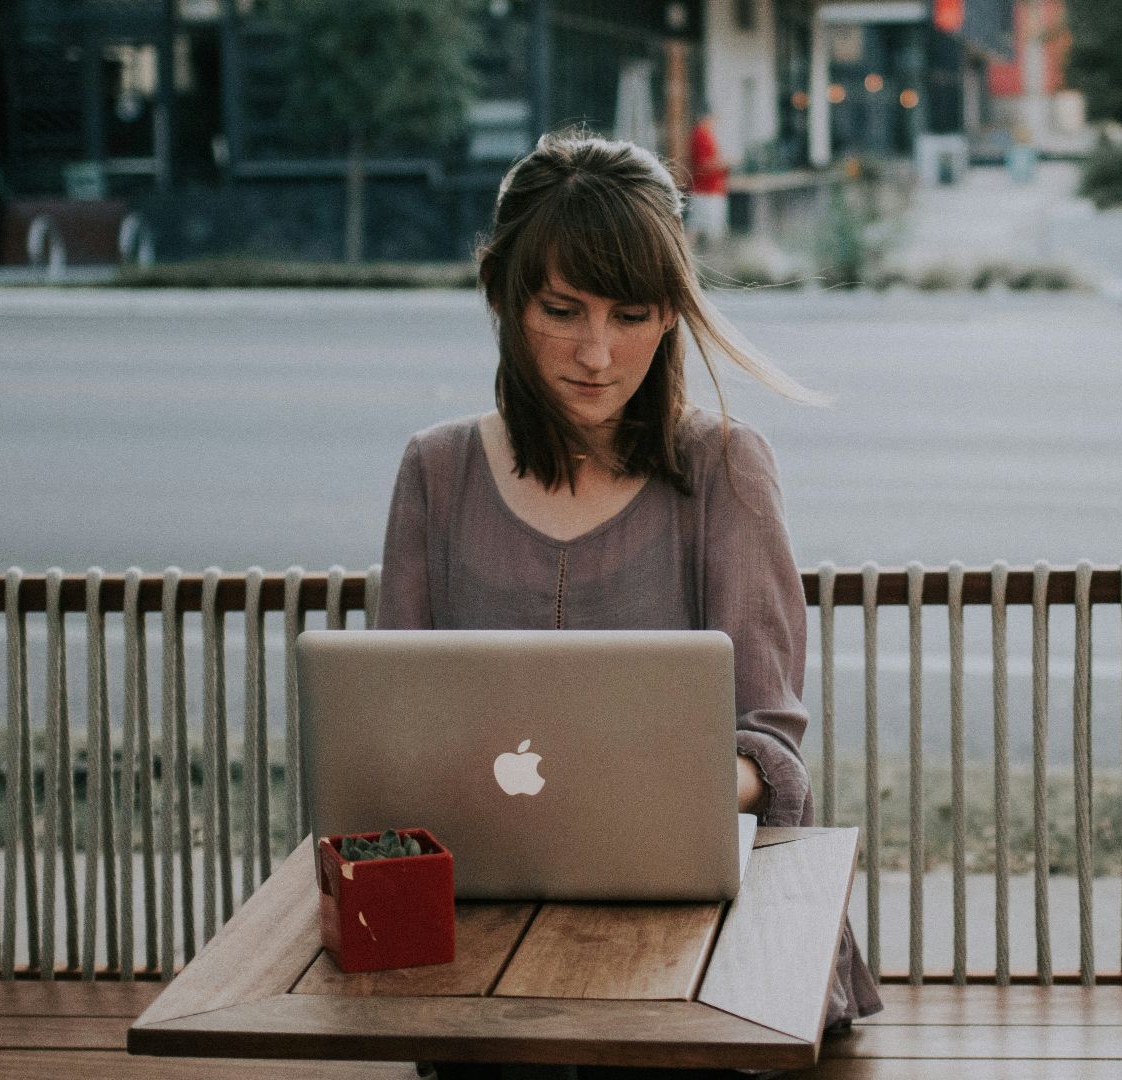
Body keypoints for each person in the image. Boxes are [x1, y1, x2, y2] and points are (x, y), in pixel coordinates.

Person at [378, 127, 882, 1077]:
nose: (598, 354)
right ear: (502, 296)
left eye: (634, 314)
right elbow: (390, 730)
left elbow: (771, 751)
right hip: (484, 940)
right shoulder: (435, 473)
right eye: (561, 310)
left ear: (671, 315)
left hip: (702, 949)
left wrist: (629, 803)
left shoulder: (725, 466)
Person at [686, 111, 729, 253]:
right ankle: (708, 258)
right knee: (703, 228)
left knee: (699, 227)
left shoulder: (706, 135)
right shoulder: (701, 135)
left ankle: (705, 257)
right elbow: (704, 165)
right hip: (705, 191)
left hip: (710, 190)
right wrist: (724, 164)